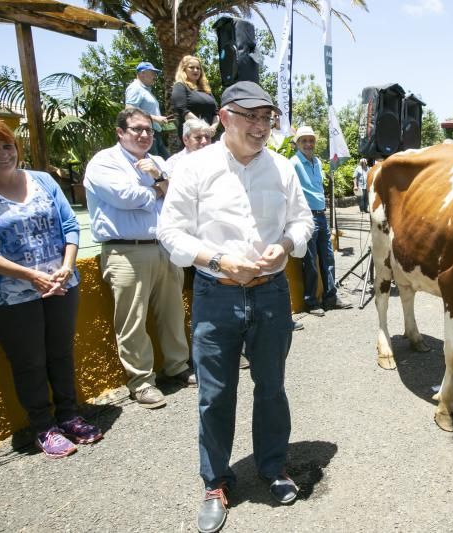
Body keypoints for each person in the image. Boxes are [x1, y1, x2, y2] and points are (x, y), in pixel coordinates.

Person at [156, 80, 314, 533]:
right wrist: (219, 259)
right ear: (224, 117)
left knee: (272, 387)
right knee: (215, 394)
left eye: (266, 117)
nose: (261, 126)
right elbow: (172, 233)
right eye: (250, 116)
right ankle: (216, 483)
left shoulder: (282, 169)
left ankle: (271, 467)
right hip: (215, 293)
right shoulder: (193, 168)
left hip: (269, 292)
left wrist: (284, 245)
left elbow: (301, 222)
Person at [0, 120, 103, 458]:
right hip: (13, 296)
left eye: (7, 146)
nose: (3, 154)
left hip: (61, 284)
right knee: (29, 361)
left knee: (60, 353)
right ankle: (43, 426)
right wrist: (31, 276)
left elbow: (70, 224)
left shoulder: (42, 180)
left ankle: (69, 415)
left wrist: (67, 266)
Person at [83, 107, 193, 409]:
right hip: (125, 250)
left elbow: (180, 193)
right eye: (136, 129)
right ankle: (141, 381)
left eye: (148, 129)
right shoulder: (104, 162)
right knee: (132, 319)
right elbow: (127, 197)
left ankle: (178, 365)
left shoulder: (157, 161)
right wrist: (159, 188)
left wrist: (160, 180)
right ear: (120, 133)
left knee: (173, 312)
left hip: (164, 246)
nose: (144, 135)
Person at [290, 125, 352, 315]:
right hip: (306, 216)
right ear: (297, 143)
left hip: (321, 215)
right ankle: (311, 302)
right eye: (304, 141)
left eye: (311, 140)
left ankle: (330, 297)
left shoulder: (317, 161)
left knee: (328, 258)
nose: (308, 144)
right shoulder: (293, 163)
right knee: (309, 261)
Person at [170, 56, 219, 144]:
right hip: (193, 136)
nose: (195, 70)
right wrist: (203, 128)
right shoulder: (180, 86)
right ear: (184, 70)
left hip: (210, 135)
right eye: (191, 67)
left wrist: (213, 127)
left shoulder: (206, 89)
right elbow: (183, 110)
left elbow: (216, 112)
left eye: (198, 68)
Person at [125, 62, 170, 158]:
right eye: (152, 73)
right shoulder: (135, 88)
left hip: (154, 135)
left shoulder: (145, 90)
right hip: (145, 135)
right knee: (155, 166)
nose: (155, 76)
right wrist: (156, 119)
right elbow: (129, 110)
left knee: (166, 165)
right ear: (142, 73)